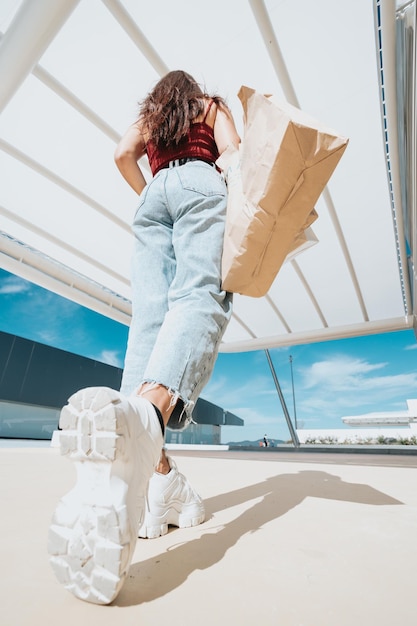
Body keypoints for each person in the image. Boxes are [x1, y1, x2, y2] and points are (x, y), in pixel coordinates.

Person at [48, 70, 240, 605]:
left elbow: (120, 154)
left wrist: (151, 190)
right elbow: (233, 156)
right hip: (202, 184)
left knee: (149, 318)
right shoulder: (209, 105)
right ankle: (147, 417)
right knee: (200, 296)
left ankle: (151, 464)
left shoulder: (152, 117)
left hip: (152, 200)